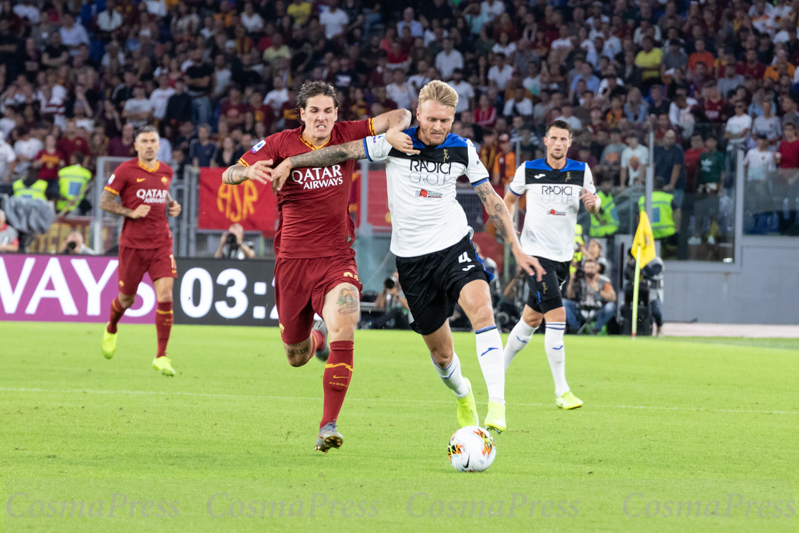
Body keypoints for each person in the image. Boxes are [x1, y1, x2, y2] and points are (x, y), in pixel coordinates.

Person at [267, 81, 544, 435]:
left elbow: (492, 200)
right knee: (443, 356)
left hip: (454, 245)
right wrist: (291, 161)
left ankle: (497, 407)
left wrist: (517, 249)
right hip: (412, 262)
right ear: (419, 114)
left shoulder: (463, 150)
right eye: (431, 119)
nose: (438, 127)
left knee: (482, 309)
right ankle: (464, 395)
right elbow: (340, 152)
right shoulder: (396, 143)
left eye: (446, 120)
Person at [220, 81, 412, 453]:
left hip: (337, 258)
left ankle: (328, 425)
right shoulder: (278, 143)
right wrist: (247, 173)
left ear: (336, 113)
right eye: (315, 111)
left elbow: (400, 115)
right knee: (296, 356)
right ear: (302, 114)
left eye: (328, 110)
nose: (322, 117)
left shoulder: (348, 133)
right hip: (292, 262)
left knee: (347, 324)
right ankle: (317, 340)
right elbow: (230, 171)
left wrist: (396, 131)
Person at [502, 120, 602, 410]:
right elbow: (508, 201)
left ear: (570, 143)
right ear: (545, 141)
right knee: (556, 318)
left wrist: (592, 203)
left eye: (563, 139)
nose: (558, 143)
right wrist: (510, 228)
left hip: (562, 257)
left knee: (531, 320)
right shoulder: (528, 169)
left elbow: (594, 208)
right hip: (535, 256)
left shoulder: (581, 171)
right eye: (554, 138)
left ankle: (496, 370)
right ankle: (562, 391)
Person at [98, 125, 182, 377]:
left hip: (160, 243)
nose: (148, 145)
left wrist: (172, 206)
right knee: (127, 300)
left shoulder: (167, 171)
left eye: (152, 141)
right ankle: (112, 327)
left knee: (165, 296)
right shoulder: (125, 170)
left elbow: (163, 196)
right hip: (133, 246)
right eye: (143, 141)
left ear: (159, 145)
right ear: (135, 146)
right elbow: (104, 202)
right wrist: (130, 212)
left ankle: (161, 356)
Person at [564, 258, 617, 334]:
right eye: (587, 267)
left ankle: (596, 328)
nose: (589, 270)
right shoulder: (579, 279)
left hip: (597, 310)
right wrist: (571, 280)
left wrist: (599, 290)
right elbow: (569, 296)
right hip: (580, 308)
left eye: (592, 267)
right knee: (564, 303)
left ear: (596, 268)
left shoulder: (602, 280)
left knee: (610, 307)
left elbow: (613, 297)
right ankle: (575, 328)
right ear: (584, 269)